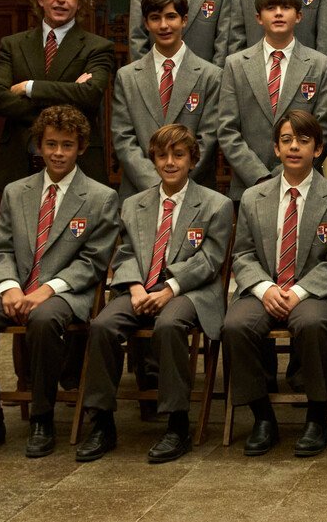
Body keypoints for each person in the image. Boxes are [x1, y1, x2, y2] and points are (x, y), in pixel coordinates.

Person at [0, 105, 119, 458]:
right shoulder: (16, 192)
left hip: (64, 293)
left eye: (67, 145)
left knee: (44, 320)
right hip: (14, 287)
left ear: (80, 148)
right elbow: (0, 249)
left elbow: (93, 261)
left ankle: (42, 418)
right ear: (39, 146)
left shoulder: (100, 197)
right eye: (51, 144)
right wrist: (10, 287)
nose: (58, 153)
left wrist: (45, 291)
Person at [76, 123, 234, 463]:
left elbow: (210, 260)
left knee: (169, 325)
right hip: (140, 288)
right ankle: (101, 422)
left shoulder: (216, 205)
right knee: (102, 326)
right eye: (162, 156)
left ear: (193, 160)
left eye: (178, 155)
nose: (170, 162)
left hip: (189, 291)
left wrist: (169, 289)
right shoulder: (134, 204)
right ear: (153, 160)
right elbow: (125, 253)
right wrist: (135, 288)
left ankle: (177, 424)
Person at [222, 110, 327, 457]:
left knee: (312, 323)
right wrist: (265, 288)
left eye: (303, 140)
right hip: (264, 289)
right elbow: (243, 254)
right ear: (276, 148)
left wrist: (298, 292)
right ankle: (262, 417)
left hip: (314, 292)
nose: (294, 147)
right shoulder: (254, 197)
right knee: (235, 325)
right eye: (286, 140)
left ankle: (316, 416)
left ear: (318, 149)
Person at [0, 0, 115, 189]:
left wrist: (30, 87)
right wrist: (70, 96)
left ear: (80, 2)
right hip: (19, 161)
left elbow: (90, 95)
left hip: (80, 163)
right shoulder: (12, 45)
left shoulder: (98, 47)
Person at [215, 0, 327, 201]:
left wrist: (286, 173)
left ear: (298, 16)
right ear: (258, 18)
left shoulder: (321, 65)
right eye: (271, 8)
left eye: (286, 7)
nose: (279, 13)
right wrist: (259, 177)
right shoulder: (236, 65)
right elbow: (227, 129)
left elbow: (324, 128)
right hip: (248, 186)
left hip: (304, 185)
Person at [110, 0, 220, 199]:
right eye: (155, 18)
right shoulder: (127, 77)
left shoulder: (210, 76)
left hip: (194, 194)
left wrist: (176, 181)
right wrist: (156, 184)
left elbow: (208, 138)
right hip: (140, 193)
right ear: (146, 23)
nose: (163, 25)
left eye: (171, 16)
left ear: (184, 20)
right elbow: (123, 138)